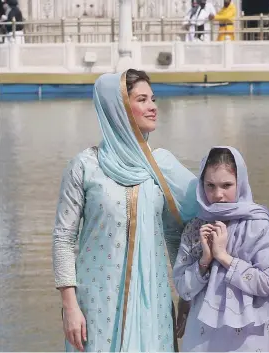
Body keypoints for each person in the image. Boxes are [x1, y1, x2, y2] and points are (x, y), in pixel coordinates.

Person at [52, 69, 199, 352]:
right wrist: (69, 306)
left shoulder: (161, 167)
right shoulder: (85, 166)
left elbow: (176, 233)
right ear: (118, 107)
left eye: (153, 99)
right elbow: (63, 239)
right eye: (142, 99)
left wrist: (187, 295)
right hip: (97, 305)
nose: (153, 107)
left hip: (152, 303)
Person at [173, 146, 269, 352]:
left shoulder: (257, 224)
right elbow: (183, 289)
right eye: (210, 185)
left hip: (248, 336)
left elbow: (265, 283)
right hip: (202, 335)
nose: (217, 194)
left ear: (241, 184)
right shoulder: (196, 227)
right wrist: (204, 261)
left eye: (226, 185)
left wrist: (223, 257)